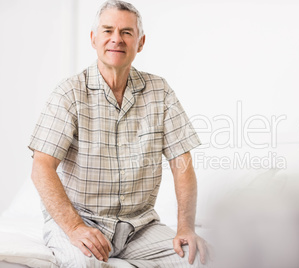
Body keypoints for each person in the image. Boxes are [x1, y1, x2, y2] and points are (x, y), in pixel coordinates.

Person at [28, 1, 208, 267]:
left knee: (202, 259)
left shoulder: (160, 91)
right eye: (107, 30)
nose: (116, 39)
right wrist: (75, 227)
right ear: (93, 38)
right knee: (84, 264)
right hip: (82, 221)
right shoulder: (69, 93)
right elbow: (41, 167)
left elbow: (182, 164)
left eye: (126, 32)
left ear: (141, 42)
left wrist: (185, 228)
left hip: (139, 228)